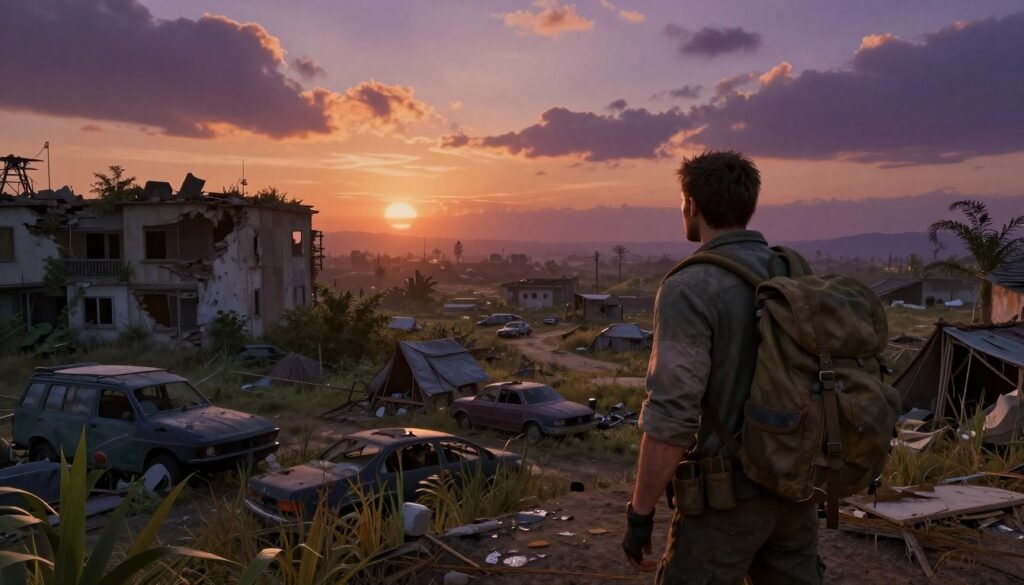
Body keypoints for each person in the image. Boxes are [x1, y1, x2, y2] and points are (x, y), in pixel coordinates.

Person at [622, 151, 823, 584]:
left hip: (727, 502)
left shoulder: (689, 286)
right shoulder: (790, 271)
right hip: (796, 488)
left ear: (691, 204)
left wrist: (640, 513)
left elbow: (671, 416)